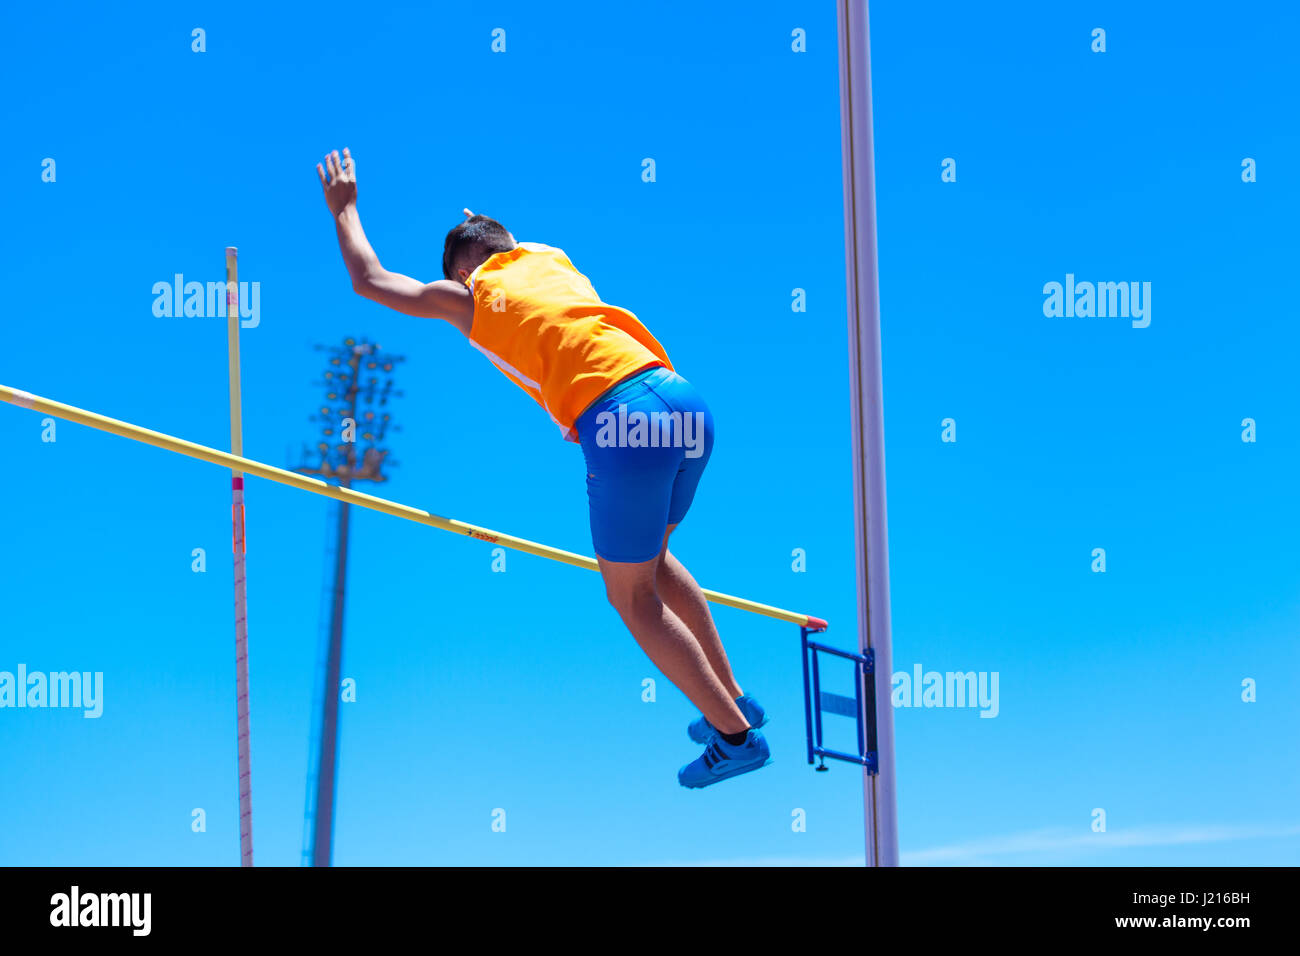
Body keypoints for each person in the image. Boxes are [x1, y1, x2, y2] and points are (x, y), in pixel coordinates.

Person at [317, 148, 771, 787]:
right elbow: (504, 248)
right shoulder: (550, 257)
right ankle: (732, 694)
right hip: (683, 400)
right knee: (656, 561)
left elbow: (371, 280)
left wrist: (346, 209)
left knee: (630, 596)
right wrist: (482, 229)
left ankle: (735, 737)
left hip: (621, 416)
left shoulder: (470, 295)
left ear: (464, 271)